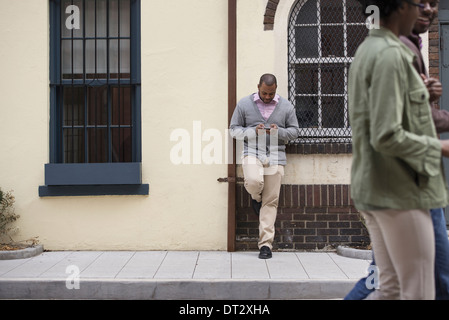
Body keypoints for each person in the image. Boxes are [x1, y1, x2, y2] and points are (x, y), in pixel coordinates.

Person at [345, 0, 449, 300]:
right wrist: (440, 147)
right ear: (401, 6)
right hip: (400, 190)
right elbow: (386, 134)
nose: (424, 11)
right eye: (419, 3)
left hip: (376, 188)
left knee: (388, 287)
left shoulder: (370, 48)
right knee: (419, 291)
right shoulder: (391, 54)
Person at [229, 74, 300, 259]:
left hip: (276, 155)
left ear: (276, 89)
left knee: (271, 201)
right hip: (252, 152)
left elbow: (294, 132)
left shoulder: (286, 106)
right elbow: (234, 129)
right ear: (258, 87)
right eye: (264, 93)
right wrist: (252, 131)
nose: (267, 97)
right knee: (253, 181)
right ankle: (255, 197)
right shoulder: (244, 104)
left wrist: (279, 131)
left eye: (271, 93)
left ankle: (265, 245)